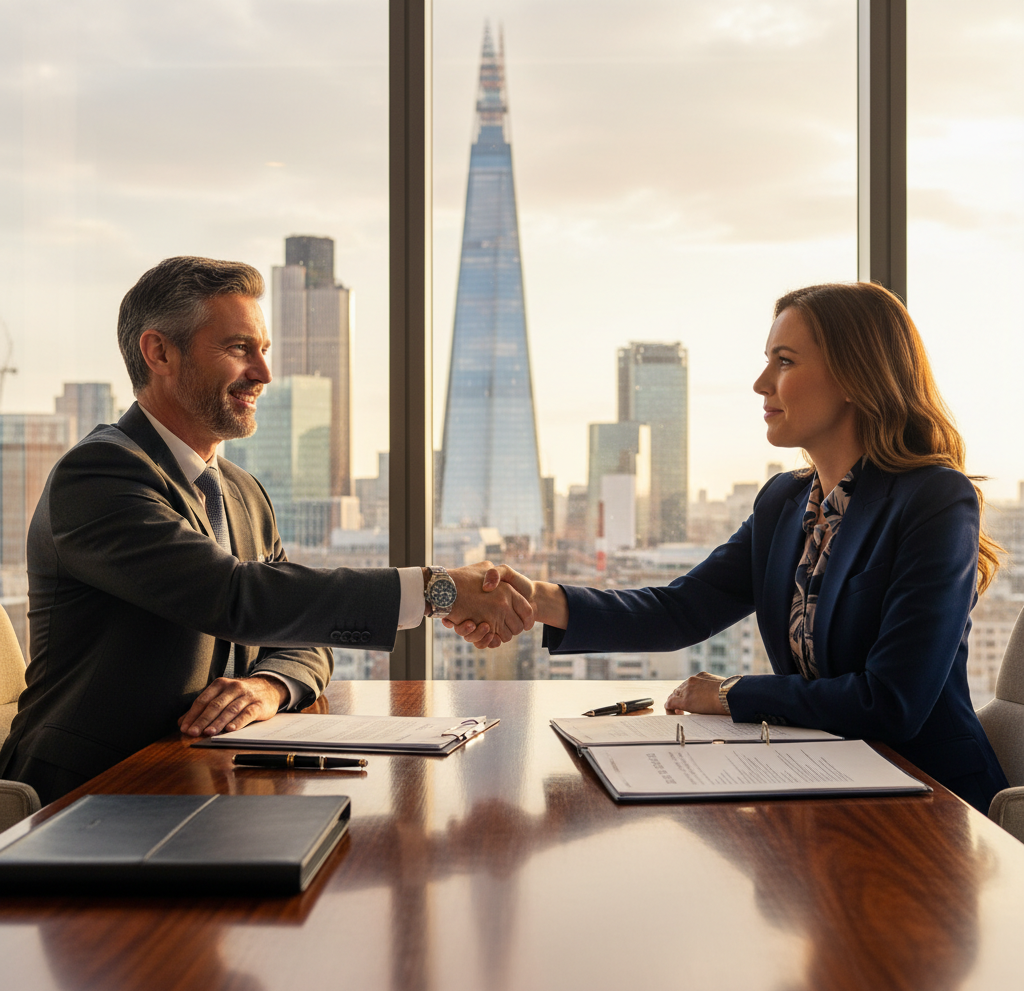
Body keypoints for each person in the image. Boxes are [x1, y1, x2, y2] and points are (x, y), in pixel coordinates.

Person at [452, 282, 1009, 812]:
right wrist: (538, 599)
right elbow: (679, 610)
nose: (761, 382)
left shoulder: (934, 499)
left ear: (854, 377)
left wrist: (732, 692)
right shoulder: (785, 503)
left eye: (785, 361)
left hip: (933, 799)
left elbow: (892, 702)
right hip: (827, 780)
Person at [0, 256, 529, 804]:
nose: (264, 372)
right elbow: (237, 597)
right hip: (89, 796)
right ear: (159, 352)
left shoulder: (242, 491)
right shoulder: (97, 477)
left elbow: (301, 633)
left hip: (204, 785)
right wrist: (437, 589)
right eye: (238, 349)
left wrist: (267, 686)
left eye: (263, 350)